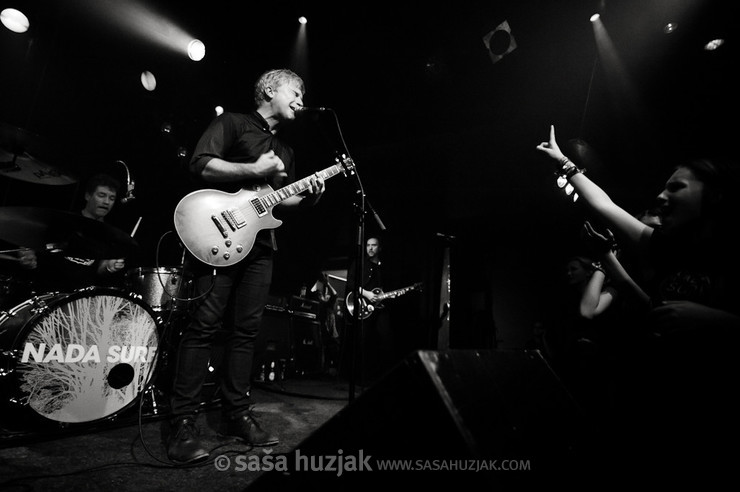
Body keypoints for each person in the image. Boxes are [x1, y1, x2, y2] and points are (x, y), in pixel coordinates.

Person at [535, 124, 740, 479]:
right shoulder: (669, 249)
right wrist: (564, 163)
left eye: (676, 187)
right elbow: (606, 206)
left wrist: (718, 322)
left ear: (716, 196)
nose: (661, 196)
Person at [166, 68, 325, 464]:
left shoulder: (285, 151)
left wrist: (308, 194)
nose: (302, 97)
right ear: (270, 89)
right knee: (203, 325)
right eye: (297, 89)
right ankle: (182, 422)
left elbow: (276, 201)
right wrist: (254, 170)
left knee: (246, 331)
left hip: (261, 244)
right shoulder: (233, 123)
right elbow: (201, 164)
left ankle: (236, 413)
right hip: (219, 236)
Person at [35, 172, 127, 293]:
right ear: (88, 196)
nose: (106, 202)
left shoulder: (110, 234)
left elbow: (99, 269)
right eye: (101, 195)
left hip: (82, 298)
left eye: (111, 198)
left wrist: (108, 267)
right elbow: (40, 247)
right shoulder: (64, 222)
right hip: (51, 291)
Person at [345, 236, 396, 384]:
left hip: (380, 307)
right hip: (363, 306)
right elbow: (350, 282)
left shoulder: (384, 266)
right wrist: (366, 294)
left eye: (374, 245)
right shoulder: (359, 263)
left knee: (386, 339)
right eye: (368, 245)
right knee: (363, 341)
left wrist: (385, 297)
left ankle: (384, 378)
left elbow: (387, 287)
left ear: (380, 248)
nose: (370, 248)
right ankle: (362, 378)